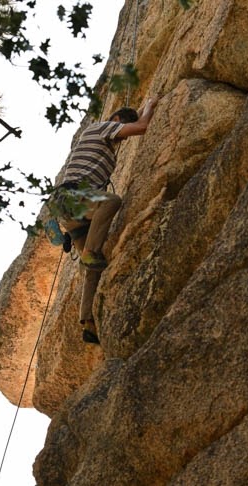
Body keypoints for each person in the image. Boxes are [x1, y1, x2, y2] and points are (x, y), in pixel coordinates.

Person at [56, 96, 159, 344]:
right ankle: (89, 252)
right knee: (111, 201)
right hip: (73, 198)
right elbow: (141, 128)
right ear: (116, 120)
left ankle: (89, 322)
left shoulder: (104, 145)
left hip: (74, 215)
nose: (122, 140)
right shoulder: (101, 128)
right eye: (121, 132)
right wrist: (150, 107)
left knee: (94, 266)